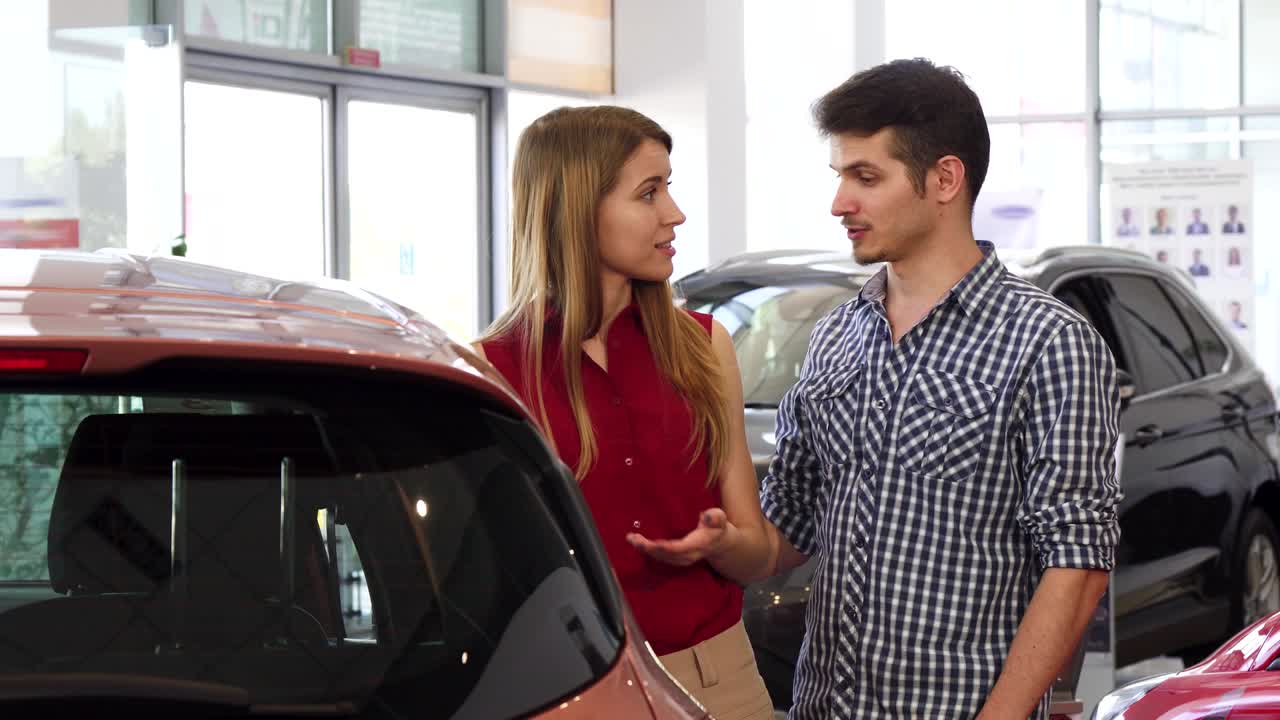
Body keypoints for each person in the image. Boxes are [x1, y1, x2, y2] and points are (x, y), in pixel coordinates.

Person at [760, 59, 1120, 719]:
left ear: (944, 179)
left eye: (866, 176)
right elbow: (788, 523)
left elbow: (1077, 566)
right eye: (840, 176)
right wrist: (710, 536)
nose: (841, 202)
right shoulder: (838, 333)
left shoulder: (1047, 342)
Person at [472, 106, 774, 720]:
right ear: (580, 208)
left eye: (669, 186)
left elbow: (759, 556)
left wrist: (718, 544)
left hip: (721, 678)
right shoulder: (491, 372)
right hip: (569, 689)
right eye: (649, 192)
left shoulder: (704, 346)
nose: (675, 214)